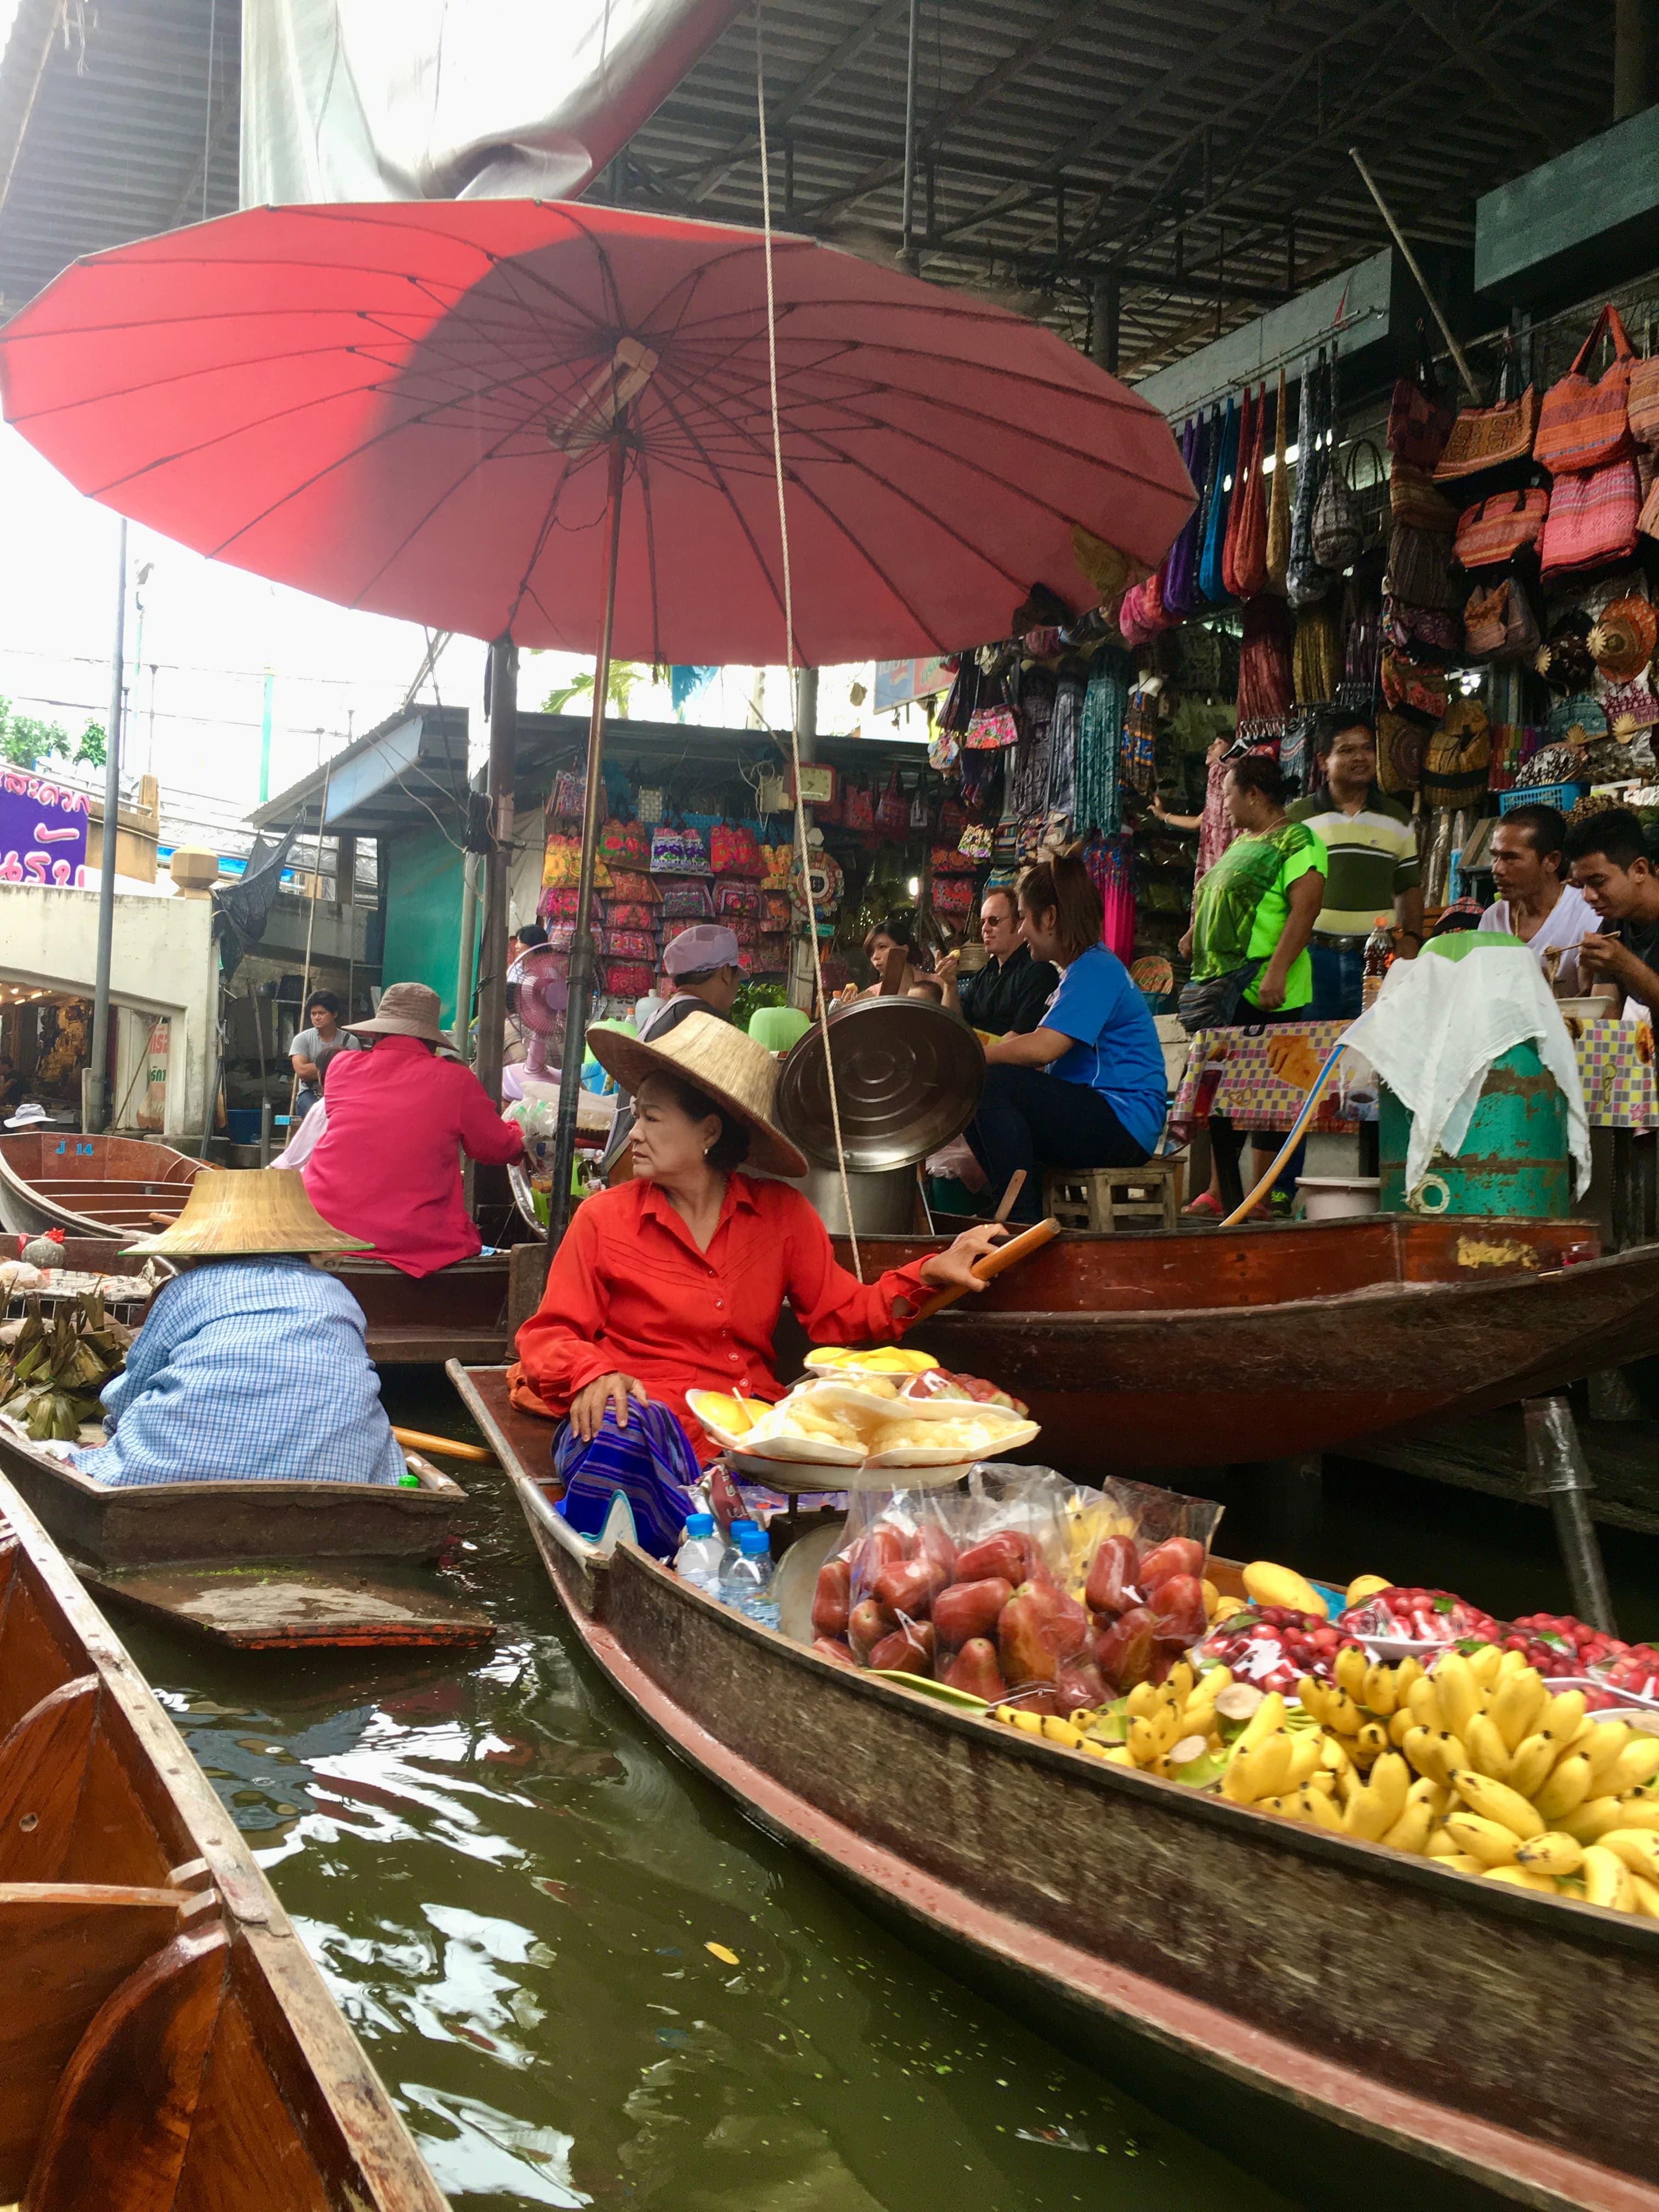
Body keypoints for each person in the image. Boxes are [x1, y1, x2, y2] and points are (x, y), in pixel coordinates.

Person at [514, 1013, 1005, 1555]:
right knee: (620, 1436)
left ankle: (720, 1530)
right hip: (648, 1431)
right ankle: (680, 1534)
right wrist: (592, 1373)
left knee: (889, 1471)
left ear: (709, 1132)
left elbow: (842, 1314)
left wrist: (930, 1271)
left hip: (752, 1436)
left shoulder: (782, 1215)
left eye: (652, 1119)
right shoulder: (604, 1219)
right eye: (637, 1117)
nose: (634, 1134)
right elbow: (548, 1336)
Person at [69, 1170, 405, 1489]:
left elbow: (134, 1387)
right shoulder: (338, 1293)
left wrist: (114, 1438)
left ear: (199, 1250)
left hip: (172, 1470)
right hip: (347, 1477)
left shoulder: (187, 1288)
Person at [964, 847, 1167, 1224]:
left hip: (1122, 1122)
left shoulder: (1095, 968)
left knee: (987, 1078)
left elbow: (1044, 1048)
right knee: (972, 1087)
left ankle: (1020, 1214)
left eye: (1024, 918)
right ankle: (1013, 1203)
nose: (1022, 930)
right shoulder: (1077, 973)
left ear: (1051, 918)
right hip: (1103, 1116)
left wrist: (970, 1055)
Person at [1180, 753, 1328, 1217]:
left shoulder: (1297, 840)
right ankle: (1221, 1189)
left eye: (1227, 795)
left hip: (1265, 986)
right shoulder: (1243, 843)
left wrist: (1277, 971)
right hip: (1221, 987)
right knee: (1222, 1090)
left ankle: (1257, 1197)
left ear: (1253, 794)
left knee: (1267, 1095)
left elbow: (1304, 910)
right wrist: (1193, 934)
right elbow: (1219, 896)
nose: (1223, 805)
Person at [301, 981, 525, 1276]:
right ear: (431, 1040)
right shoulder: (455, 1080)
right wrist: (520, 1133)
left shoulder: (342, 1066)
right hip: (410, 1241)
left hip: (320, 1226)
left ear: (379, 1031)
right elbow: (495, 1147)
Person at [1286, 712, 1423, 1019]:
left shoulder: (1396, 816)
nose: (1360, 758)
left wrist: (1413, 938)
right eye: (1346, 750)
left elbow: (1408, 886)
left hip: (1376, 958)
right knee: (1313, 1052)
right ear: (1323, 761)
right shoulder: (1297, 818)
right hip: (1311, 958)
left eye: (1366, 748)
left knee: (1374, 1052)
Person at [599, 924, 747, 1173]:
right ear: (724, 973)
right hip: (645, 1169)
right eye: (735, 979)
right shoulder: (707, 1022)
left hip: (622, 1159)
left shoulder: (661, 1014)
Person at [1480, 805, 1601, 995]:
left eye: (1510, 858)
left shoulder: (1586, 913)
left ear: (1552, 861)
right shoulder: (1493, 918)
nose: (1497, 869)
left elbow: (1593, 999)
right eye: (1495, 857)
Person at [1566, 809, 1659, 1018]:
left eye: (1598, 882)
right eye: (1581, 885)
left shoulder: (1617, 948)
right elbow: (1607, 1022)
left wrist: (1627, 966)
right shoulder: (1612, 925)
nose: (1587, 896)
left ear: (1640, 870)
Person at [935, 885, 1059, 1035]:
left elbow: (1020, 1037)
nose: (985, 929)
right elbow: (953, 1026)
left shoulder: (1039, 972)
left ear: (1019, 923)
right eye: (982, 922)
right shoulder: (983, 975)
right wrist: (950, 984)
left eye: (994, 921)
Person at [289, 990, 364, 1122]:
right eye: (313, 1014)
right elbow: (302, 1071)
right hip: (309, 1094)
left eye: (322, 1013)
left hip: (342, 1094)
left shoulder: (350, 1041)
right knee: (320, 1116)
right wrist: (338, 1067)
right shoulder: (302, 1039)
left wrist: (316, 1070)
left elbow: (354, 1075)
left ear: (334, 1014)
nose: (317, 1018)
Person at [857, 913, 929, 997]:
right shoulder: (872, 995)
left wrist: (948, 987)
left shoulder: (937, 983)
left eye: (882, 947)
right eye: (871, 952)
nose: (875, 956)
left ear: (904, 949)